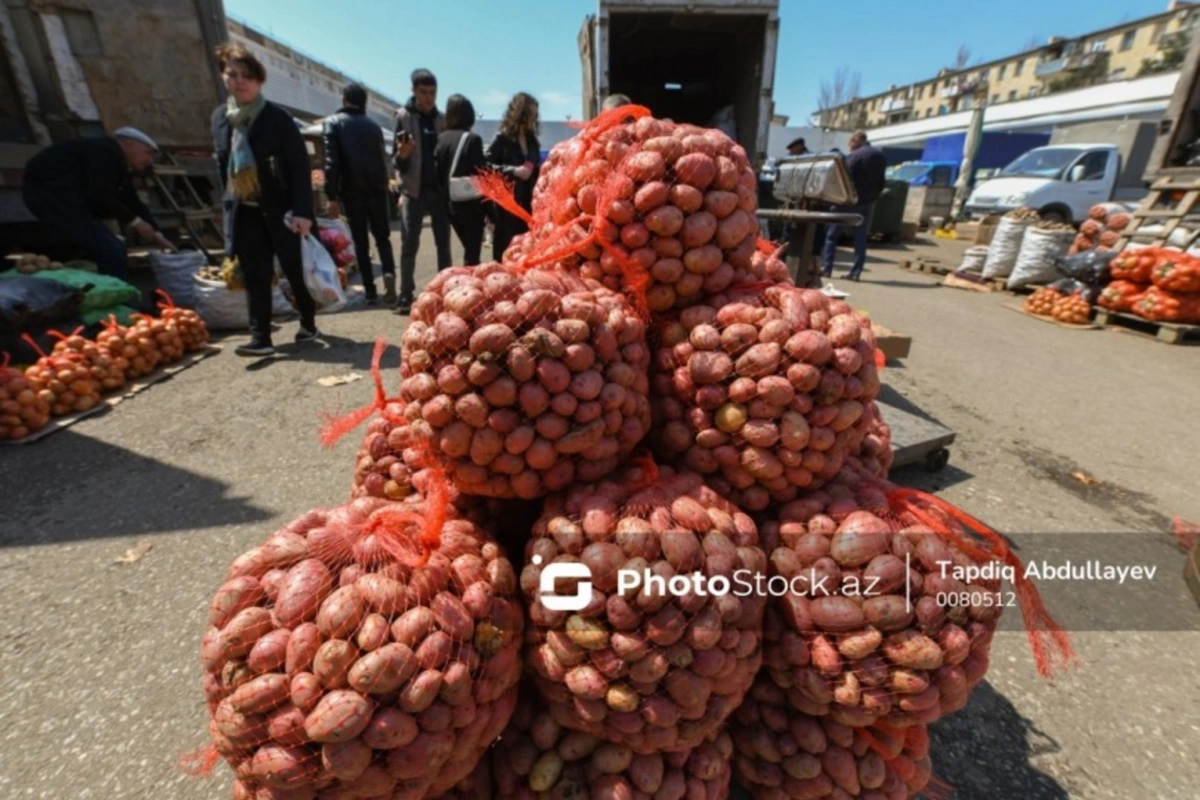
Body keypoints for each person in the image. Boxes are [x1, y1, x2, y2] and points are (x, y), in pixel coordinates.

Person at [212, 43, 320, 357]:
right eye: (232, 74)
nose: (239, 81)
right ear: (223, 77)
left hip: (281, 210)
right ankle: (261, 338)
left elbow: (300, 167)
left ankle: (308, 321)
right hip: (243, 211)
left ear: (259, 80)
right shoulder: (220, 119)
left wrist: (302, 211)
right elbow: (223, 168)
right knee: (255, 273)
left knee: (292, 268)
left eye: (247, 75)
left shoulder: (277, 119)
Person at [22, 128, 174, 280]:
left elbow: (131, 200)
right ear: (129, 144)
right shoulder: (104, 152)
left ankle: (107, 290)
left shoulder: (117, 162)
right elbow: (100, 195)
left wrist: (157, 233)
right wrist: (136, 222)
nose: (150, 160)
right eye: (148, 152)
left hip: (68, 201)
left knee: (112, 247)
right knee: (110, 249)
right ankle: (115, 295)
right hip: (51, 198)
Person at [323, 82, 396, 305]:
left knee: (361, 241)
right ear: (364, 103)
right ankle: (389, 273)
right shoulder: (373, 127)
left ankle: (370, 290)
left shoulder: (333, 123)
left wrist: (331, 194)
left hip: (352, 191)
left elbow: (331, 162)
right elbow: (383, 161)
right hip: (377, 188)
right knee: (383, 237)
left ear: (344, 101)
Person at [392, 68, 450, 314]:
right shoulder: (404, 117)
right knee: (409, 244)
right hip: (413, 191)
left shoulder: (442, 119)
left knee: (443, 244)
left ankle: (446, 291)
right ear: (413, 91)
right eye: (424, 92)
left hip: (438, 191)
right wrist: (403, 155)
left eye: (433, 93)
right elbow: (396, 161)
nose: (429, 98)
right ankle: (405, 294)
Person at [822, 130, 887, 282]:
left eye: (851, 142)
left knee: (832, 236)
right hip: (866, 203)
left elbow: (844, 179)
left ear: (857, 140)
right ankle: (855, 273)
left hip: (847, 203)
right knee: (860, 238)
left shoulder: (855, 156)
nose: (849, 146)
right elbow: (882, 182)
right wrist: (872, 198)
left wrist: (836, 199)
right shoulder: (880, 156)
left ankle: (827, 268)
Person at [487, 92, 541, 262]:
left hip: (528, 202)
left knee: (526, 248)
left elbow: (535, 164)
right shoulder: (502, 138)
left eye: (535, 115)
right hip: (507, 203)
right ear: (520, 114)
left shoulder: (532, 140)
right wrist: (513, 170)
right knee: (506, 247)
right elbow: (486, 165)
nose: (533, 119)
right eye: (530, 114)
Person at [434, 95, 488, 266]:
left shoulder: (441, 139)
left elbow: (437, 173)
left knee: (465, 249)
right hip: (471, 205)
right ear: (470, 115)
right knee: (472, 255)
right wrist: (490, 212)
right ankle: (469, 288)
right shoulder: (472, 139)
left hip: (450, 205)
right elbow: (483, 175)